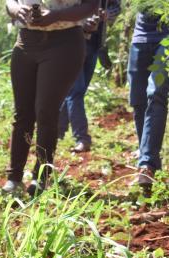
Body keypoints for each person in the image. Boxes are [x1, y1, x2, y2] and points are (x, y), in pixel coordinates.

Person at [2, 0, 99, 196]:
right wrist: (17, 10)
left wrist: (55, 16)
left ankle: (41, 176)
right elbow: (10, 2)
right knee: (23, 112)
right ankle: (14, 178)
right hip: (27, 41)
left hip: (64, 42)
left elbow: (91, 5)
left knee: (45, 110)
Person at [58, 0, 121, 153]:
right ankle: (82, 138)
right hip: (73, 40)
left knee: (76, 91)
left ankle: (57, 131)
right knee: (76, 91)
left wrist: (108, 14)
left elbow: (116, 6)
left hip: (95, 44)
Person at [128, 12, 169, 190]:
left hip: (166, 39)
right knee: (138, 100)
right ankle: (147, 156)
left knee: (156, 94)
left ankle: (147, 165)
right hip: (140, 38)